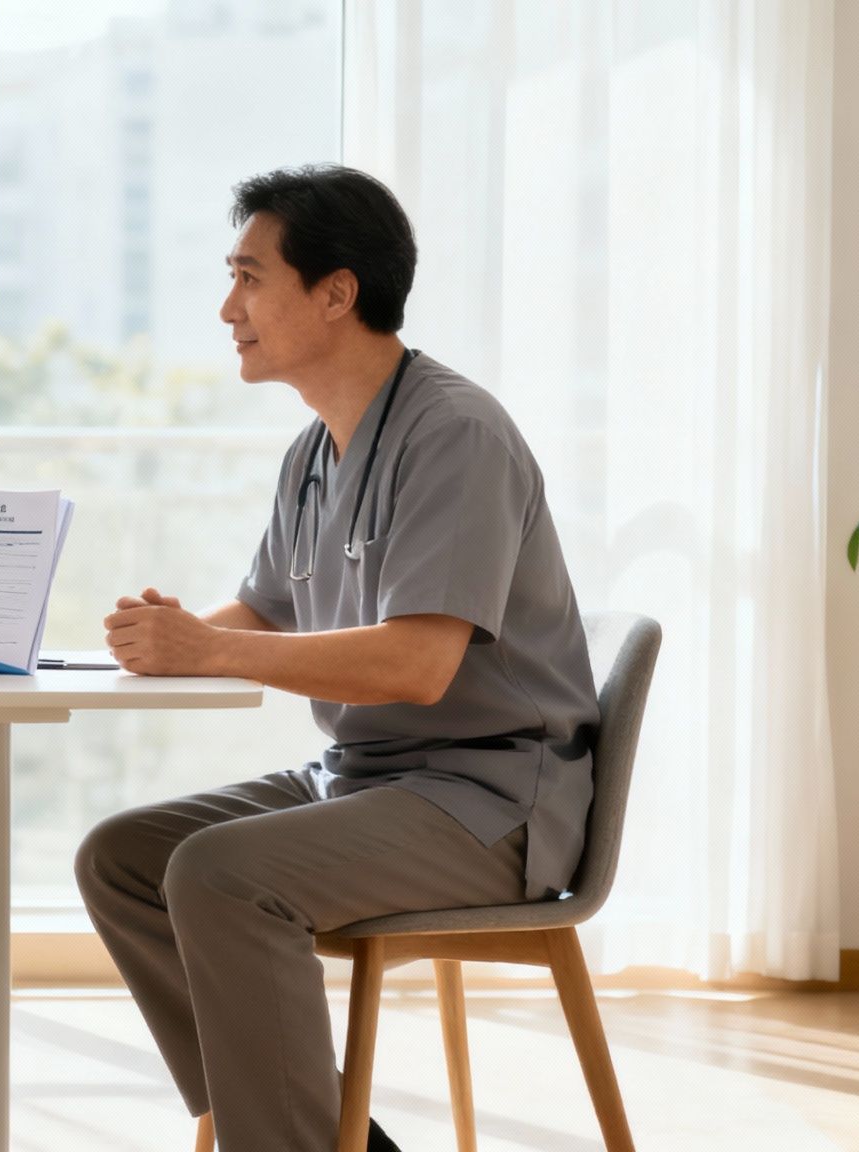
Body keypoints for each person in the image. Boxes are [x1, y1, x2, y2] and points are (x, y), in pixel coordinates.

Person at [78, 164, 599, 1152]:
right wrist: (171, 642)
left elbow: (416, 667)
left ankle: (293, 1137)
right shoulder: (313, 451)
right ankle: (314, 1131)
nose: (225, 307)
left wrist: (212, 650)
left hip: (490, 802)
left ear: (334, 291)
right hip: (367, 779)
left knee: (222, 877)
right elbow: (266, 612)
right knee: (123, 860)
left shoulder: (453, 434)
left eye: (248, 277)